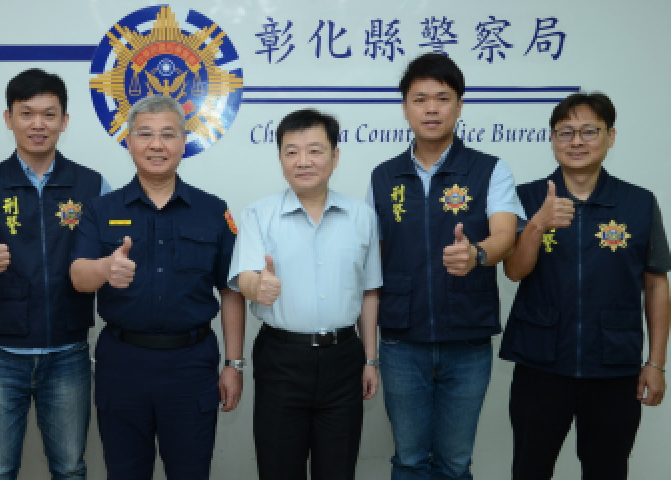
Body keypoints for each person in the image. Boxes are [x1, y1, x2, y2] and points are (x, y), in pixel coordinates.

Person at [69, 94, 245, 480]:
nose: (156, 145)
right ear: (129, 141)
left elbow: (231, 290)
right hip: (122, 363)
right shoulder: (101, 209)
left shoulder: (212, 210)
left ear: (184, 141)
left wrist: (234, 364)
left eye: (168, 134)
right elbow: (79, 276)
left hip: (191, 364)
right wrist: (105, 268)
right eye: (145, 134)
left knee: (190, 472)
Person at [367, 52, 523, 479]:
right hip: (402, 341)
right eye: (420, 99)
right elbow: (373, 257)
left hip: (466, 339)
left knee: (455, 462)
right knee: (409, 459)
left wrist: (477, 254)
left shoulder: (489, 169)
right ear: (405, 108)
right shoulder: (383, 176)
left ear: (459, 105)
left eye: (442, 98)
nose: (431, 109)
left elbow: (505, 235)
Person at [500, 92, 670, 480]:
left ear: (611, 136)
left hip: (613, 366)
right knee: (529, 470)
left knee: (607, 471)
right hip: (540, 364)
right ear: (552, 139)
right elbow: (514, 271)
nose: (576, 141)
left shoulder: (639, 203)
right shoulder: (525, 197)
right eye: (566, 132)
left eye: (589, 131)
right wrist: (538, 224)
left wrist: (656, 362)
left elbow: (656, 284)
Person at [0, 68, 110, 479]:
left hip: (68, 352)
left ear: (65, 120)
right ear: (9, 119)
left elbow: (108, 261)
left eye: (48, 114)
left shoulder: (93, 185)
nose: (38, 124)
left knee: (69, 468)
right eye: (26, 113)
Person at [228, 108, 381, 480]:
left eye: (315, 150)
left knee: (338, 470)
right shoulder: (258, 215)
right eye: (292, 152)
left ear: (335, 156)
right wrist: (257, 287)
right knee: (279, 469)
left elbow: (370, 292)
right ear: (280, 158)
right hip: (282, 358)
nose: (303, 161)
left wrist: (370, 359)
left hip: (344, 359)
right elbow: (243, 278)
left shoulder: (362, 216)